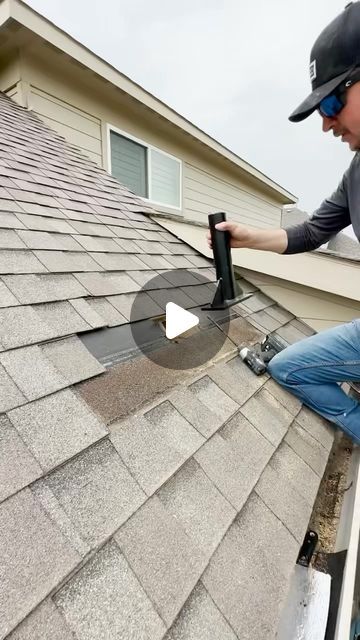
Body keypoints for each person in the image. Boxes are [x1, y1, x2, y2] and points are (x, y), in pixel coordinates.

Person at [207, 1, 360, 445]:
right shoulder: (357, 173)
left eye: (333, 101)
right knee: (288, 366)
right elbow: (313, 232)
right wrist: (246, 237)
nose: (327, 123)